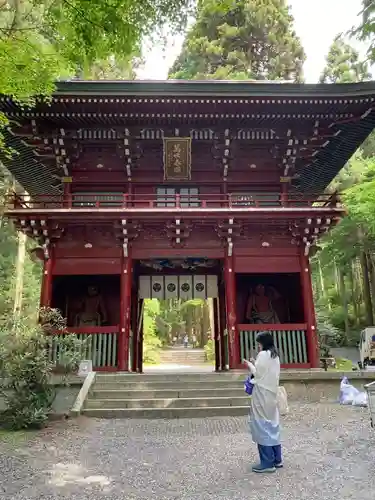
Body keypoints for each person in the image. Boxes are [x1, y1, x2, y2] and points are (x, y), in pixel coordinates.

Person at [243, 332, 282, 473]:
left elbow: (258, 374)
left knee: (261, 424)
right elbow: (265, 371)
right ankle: (277, 459)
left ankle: (267, 462)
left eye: (259, 343)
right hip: (272, 394)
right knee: (272, 424)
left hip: (261, 394)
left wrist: (249, 365)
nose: (258, 346)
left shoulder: (263, 354)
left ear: (263, 343)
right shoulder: (275, 355)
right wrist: (255, 364)